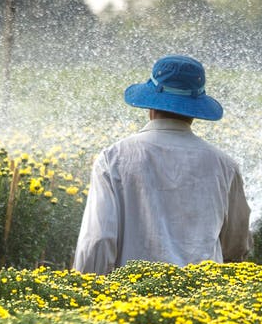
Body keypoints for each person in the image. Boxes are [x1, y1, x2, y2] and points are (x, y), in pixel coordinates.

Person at [71, 55, 252, 275]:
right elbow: (236, 246)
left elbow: (97, 241)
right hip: (204, 301)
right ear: (195, 111)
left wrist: (88, 293)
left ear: (150, 106)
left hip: (127, 299)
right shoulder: (225, 166)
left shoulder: (114, 159)